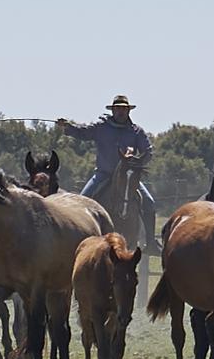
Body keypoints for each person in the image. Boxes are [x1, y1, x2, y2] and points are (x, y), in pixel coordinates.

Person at [57, 95, 161, 253]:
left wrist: (137, 163)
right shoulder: (101, 127)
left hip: (127, 176)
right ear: (112, 110)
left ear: (128, 111)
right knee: (82, 201)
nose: (121, 111)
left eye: (124, 108)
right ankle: (78, 239)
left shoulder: (136, 131)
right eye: (118, 108)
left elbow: (148, 151)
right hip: (103, 174)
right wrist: (68, 127)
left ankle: (150, 242)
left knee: (149, 202)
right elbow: (83, 132)